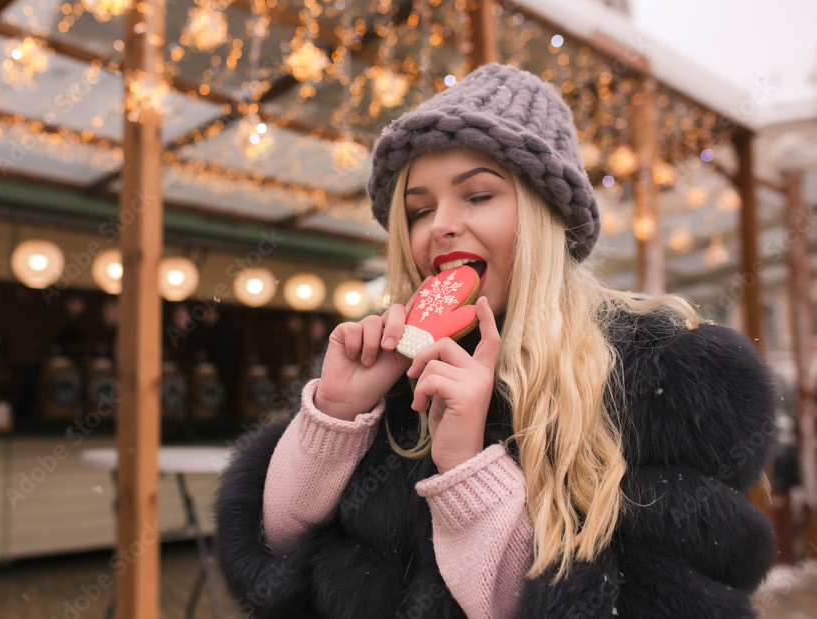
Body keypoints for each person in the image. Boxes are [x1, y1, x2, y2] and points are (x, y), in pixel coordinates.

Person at [215, 63, 776, 618]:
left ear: (543, 215)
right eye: (420, 209)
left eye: (478, 196)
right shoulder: (391, 373)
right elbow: (279, 556)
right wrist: (335, 415)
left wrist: (466, 467)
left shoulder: (659, 378)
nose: (440, 226)